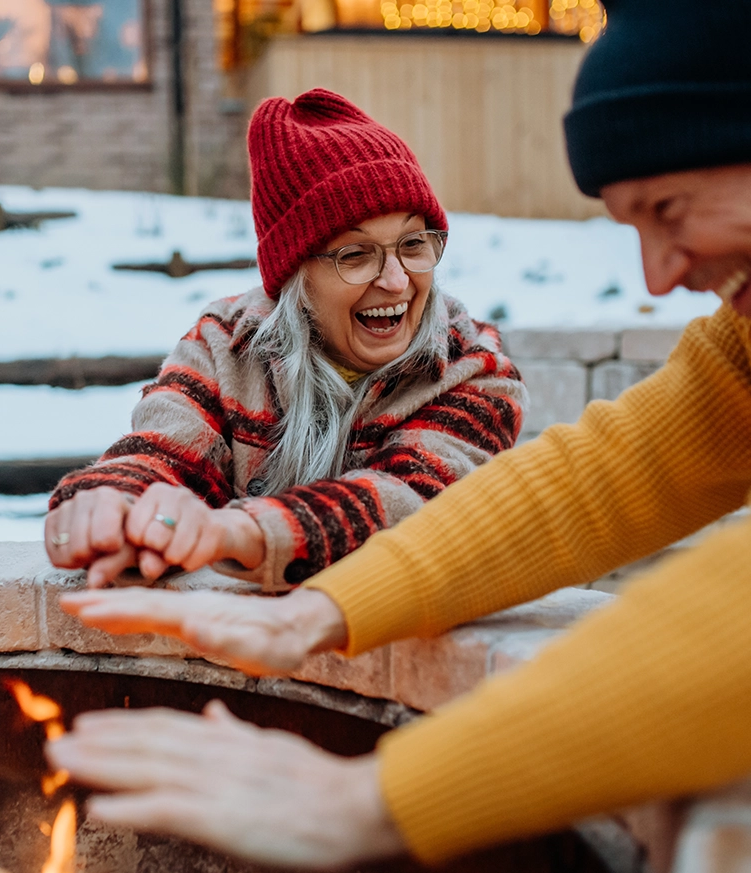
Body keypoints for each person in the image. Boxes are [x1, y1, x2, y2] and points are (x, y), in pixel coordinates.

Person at [46, 0, 751, 868]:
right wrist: (319, 612)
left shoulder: (467, 363)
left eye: (671, 207)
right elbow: (589, 483)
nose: (660, 274)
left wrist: (376, 797)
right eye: (635, 226)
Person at [44, 89, 526, 590]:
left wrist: (237, 531)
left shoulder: (472, 371)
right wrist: (109, 505)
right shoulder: (225, 345)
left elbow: (414, 503)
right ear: (294, 277)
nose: (397, 281)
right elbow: (162, 453)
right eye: (356, 254)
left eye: (412, 244)